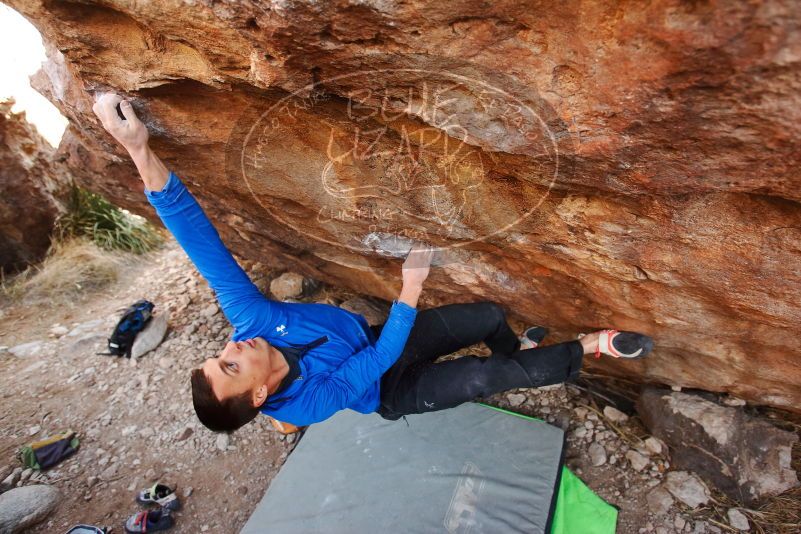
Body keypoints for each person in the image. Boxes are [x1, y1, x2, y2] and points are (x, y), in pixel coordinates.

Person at [92, 93, 654, 433]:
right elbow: (380, 362)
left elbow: (202, 245)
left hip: (379, 339)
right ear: (259, 396)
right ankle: (589, 347)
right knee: (482, 377)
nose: (232, 347)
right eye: (231, 366)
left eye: (220, 355)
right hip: (387, 388)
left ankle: (520, 350)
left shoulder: (252, 322)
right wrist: (411, 287)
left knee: (486, 316)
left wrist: (138, 148)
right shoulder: (307, 405)